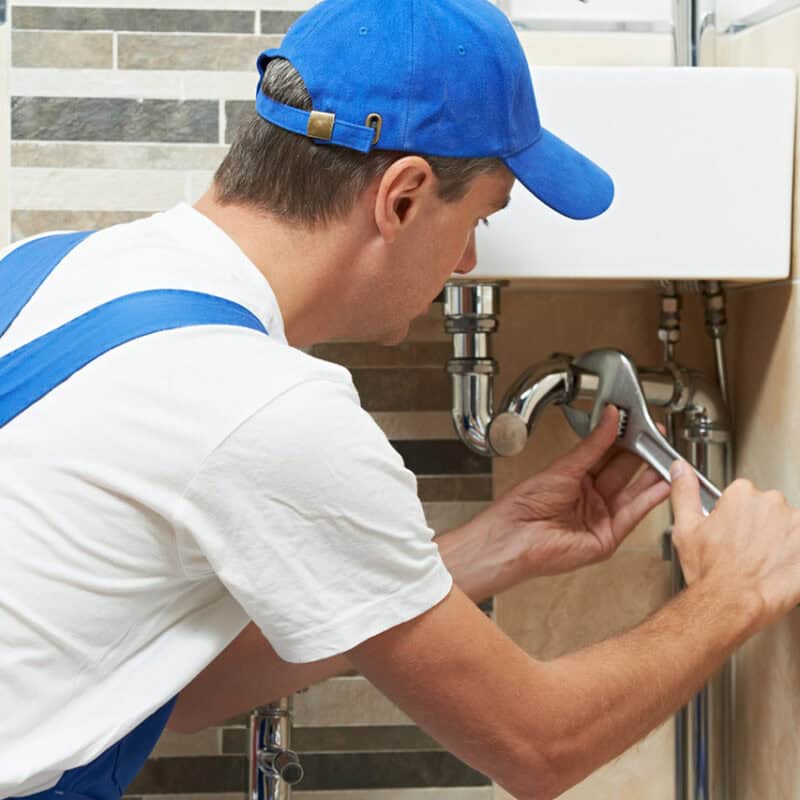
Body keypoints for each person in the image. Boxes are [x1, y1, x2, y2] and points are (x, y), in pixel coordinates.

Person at [2, 1, 800, 799]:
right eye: (479, 216)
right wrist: (733, 591)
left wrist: (493, 549)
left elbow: (178, 690)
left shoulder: (46, 270)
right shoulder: (268, 407)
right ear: (404, 197)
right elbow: (538, 745)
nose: (468, 260)